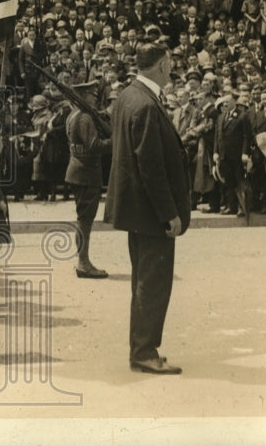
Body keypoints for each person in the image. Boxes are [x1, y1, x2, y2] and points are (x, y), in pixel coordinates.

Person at [104, 44, 191, 374]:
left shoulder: (129, 96)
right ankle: (144, 351)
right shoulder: (146, 105)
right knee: (153, 285)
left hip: (137, 211)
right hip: (151, 213)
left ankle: (142, 347)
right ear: (163, 66)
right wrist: (169, 213)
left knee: (144, 282)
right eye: (169, 64)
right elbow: (151, 167)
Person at [64, 80, 110, 279]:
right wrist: (116, 140)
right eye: (92, 95)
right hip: (86, 172)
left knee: (83, 219)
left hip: (78, 170)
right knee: (85, 221)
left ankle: (83, 260)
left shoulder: (74, 114)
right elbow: (94, 146)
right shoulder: (84, 118)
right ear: (84, 96)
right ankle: (83, 262)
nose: (95, 98)